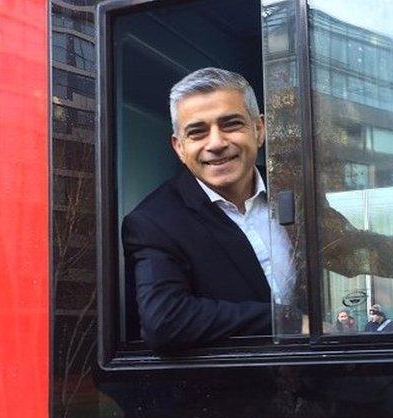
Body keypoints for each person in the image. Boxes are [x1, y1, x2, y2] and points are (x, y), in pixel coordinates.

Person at [121, 67, 295, 352]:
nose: (216, 143)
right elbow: (165, 320)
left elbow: (347, 249)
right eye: (197, 132)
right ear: (179, 147)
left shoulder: (295, 189)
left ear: (259, 129)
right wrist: (286, 321)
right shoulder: (153, 222)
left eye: (231, 124)